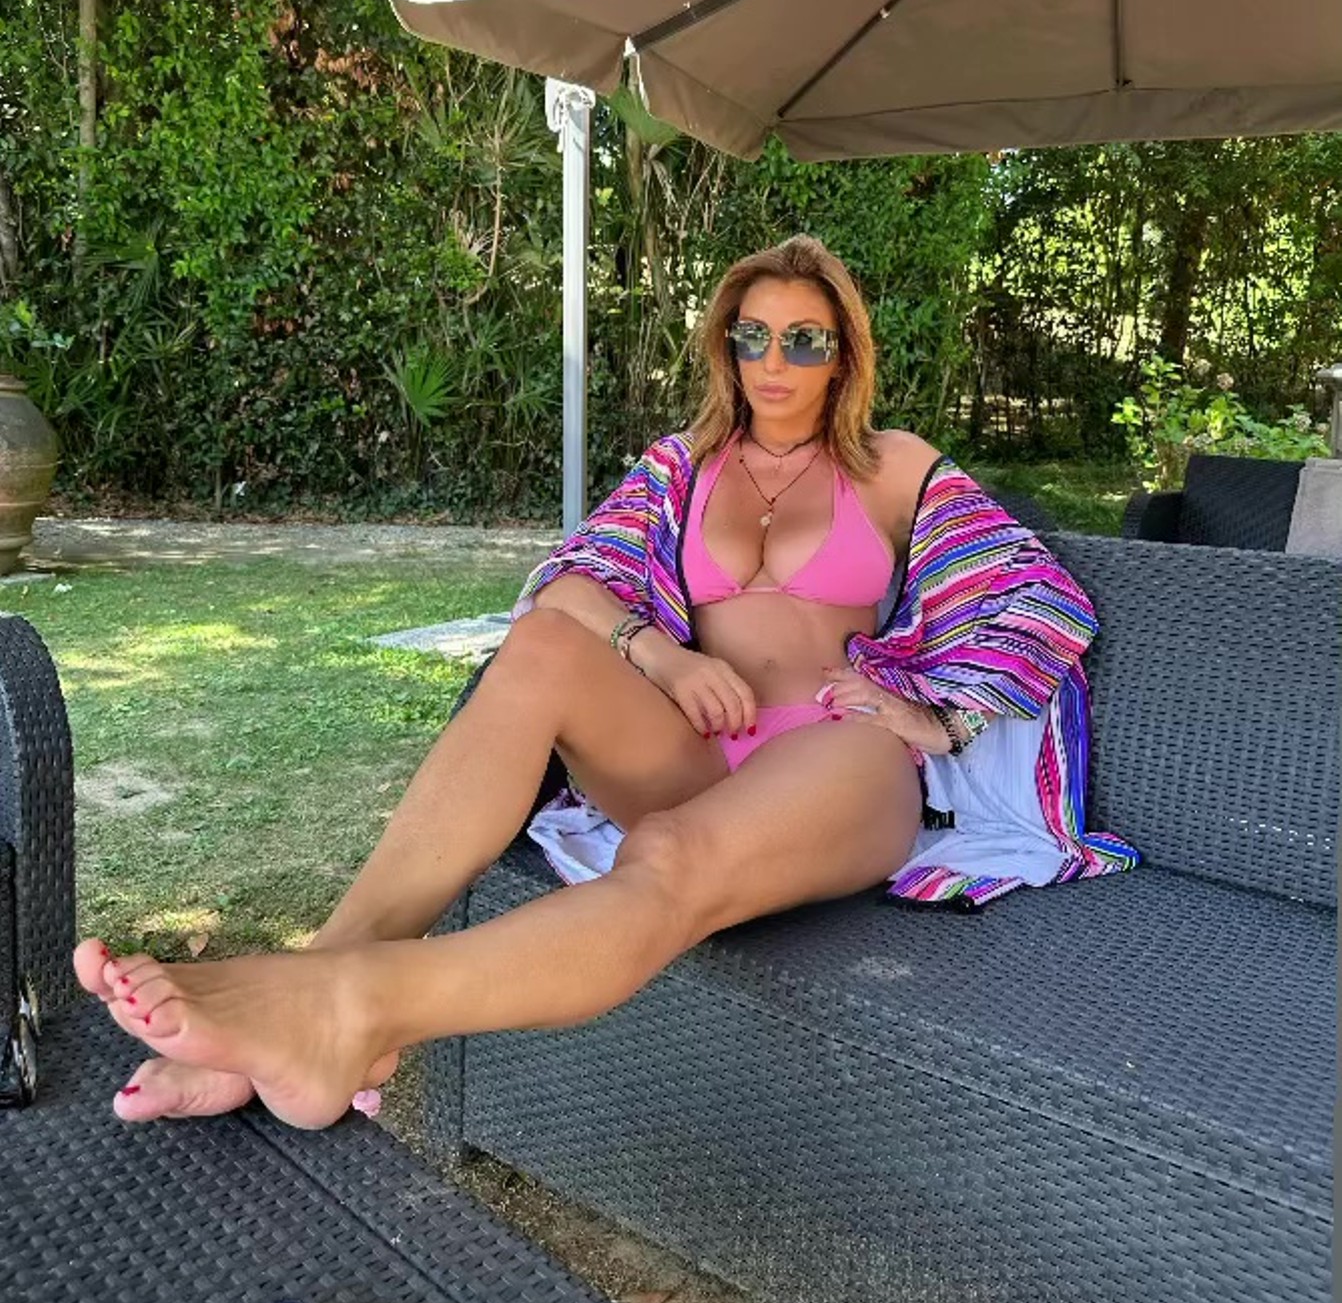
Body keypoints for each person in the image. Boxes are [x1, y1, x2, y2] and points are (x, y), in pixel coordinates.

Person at [73, 236, 1137, 1129]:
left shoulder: (891, 463)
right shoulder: (683, 465)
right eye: (752, 335)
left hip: (836, 761)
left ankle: (345, 1006)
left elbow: (1036, 596)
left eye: (804, 340)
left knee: (665, 853)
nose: (774, 362)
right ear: (725, 344)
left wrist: (934, 715)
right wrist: (664, 655)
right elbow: (570, 584)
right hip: (695, 744)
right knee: (540, 648)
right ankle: (296, 1013)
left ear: (842, 355)